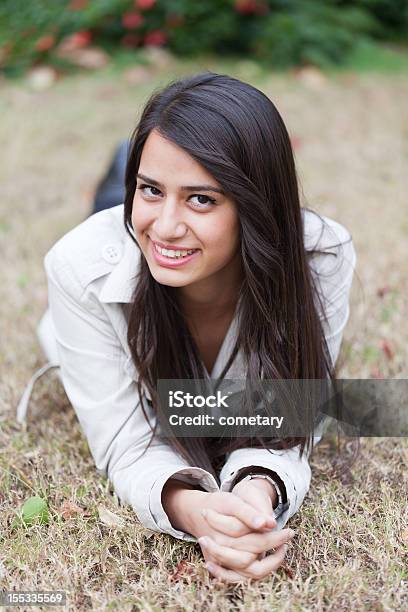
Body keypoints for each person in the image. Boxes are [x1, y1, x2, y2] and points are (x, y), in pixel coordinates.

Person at [16, 71, 357, 583]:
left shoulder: (320, 255)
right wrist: (197, 512)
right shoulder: (78, 269)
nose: (169, 222)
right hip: (117, 267)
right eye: (150, 188)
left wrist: (255, 493)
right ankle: (125, 177)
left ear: (256, 205)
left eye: (203, 198)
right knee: (115, 252)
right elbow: (126, 444)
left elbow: (294, 413)